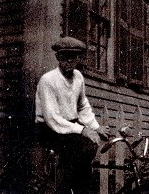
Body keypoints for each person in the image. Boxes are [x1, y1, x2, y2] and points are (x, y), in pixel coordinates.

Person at [27, 36, 110, 194]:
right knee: (75, 156)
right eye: (65, 56)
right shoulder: (48, 80)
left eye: (73, 56)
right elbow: (52, 119)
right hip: (48, 129)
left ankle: (78, 186)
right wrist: (83, 130)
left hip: (70, 126)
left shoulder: (78, 77)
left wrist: (95, 127)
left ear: (78, 58)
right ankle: (63, 188)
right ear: (58, 57)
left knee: (87, 153)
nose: (69, 61)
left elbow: (82, 105)